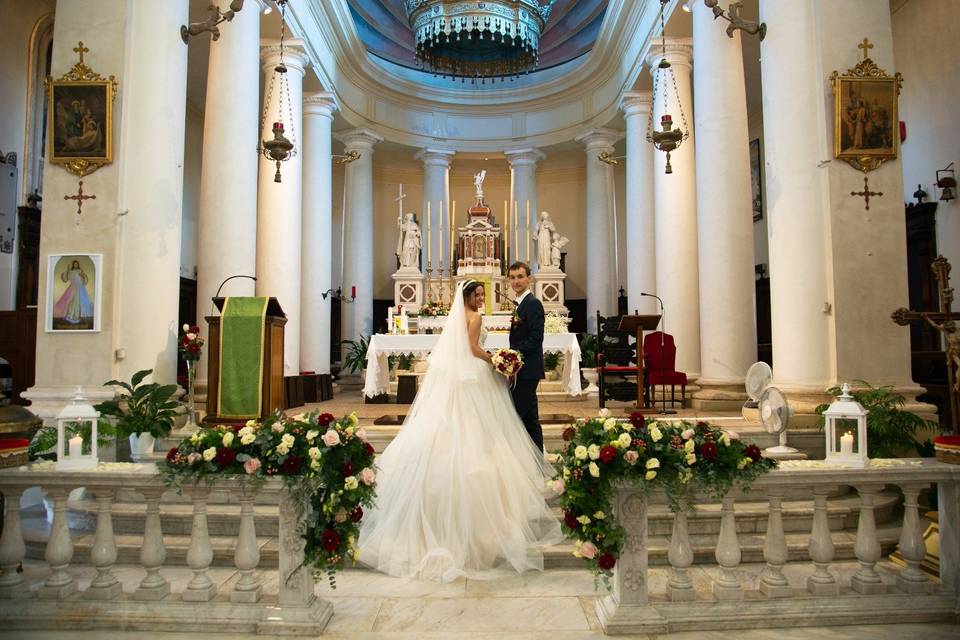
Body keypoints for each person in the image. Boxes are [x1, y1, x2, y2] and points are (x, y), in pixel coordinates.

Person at [356, 280, 562, 582]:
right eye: (478, 294)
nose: (482, 298)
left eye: (482, 294)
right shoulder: (475, 317)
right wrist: (494, 359)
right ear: (467, 296)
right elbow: (472, 348)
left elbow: (462, 348)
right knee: (479, 428)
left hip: (458, 376)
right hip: (474, 375)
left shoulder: (459, 316)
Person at [507, 262, 546, 451]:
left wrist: (512, 355)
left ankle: (525, 459)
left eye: (520, 276)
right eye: (513, 277)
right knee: (530, 417)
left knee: (517, 416)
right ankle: (537, 461)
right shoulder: (520, 304)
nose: (516, 281)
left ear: (529, 279)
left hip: (528, 369)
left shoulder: (533, 304)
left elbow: (536, 338)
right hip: (523, 370)